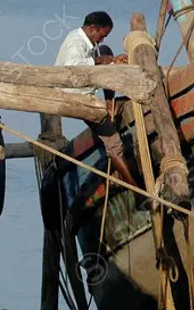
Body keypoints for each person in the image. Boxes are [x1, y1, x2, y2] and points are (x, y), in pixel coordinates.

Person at [55, 12, 138, 186]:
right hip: (74, 98)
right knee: (113, 142)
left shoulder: (86, 41)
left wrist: (110, 61)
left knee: (106, 54)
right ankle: (135, 189)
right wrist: (99, 61)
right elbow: (72, 65)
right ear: (92, 29)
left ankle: (110, 105)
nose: (101, 39)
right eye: (102, 35)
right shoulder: (76, 42)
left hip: (84, 91)